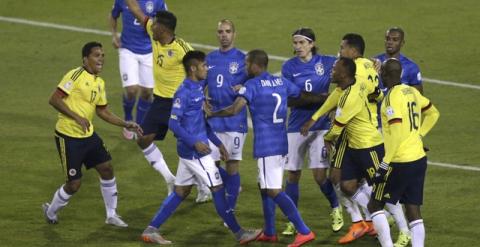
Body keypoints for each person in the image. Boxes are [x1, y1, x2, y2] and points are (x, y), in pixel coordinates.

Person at [140, 50, 261, 244]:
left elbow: (202, 122)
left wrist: (218, 143)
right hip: (195, 152)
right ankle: (239, 233)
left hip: (196, 148)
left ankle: (151, 229)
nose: (207, 69)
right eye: (204, 66)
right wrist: (194, 142)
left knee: (181, 191)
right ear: (193, 68)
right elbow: (173, 123)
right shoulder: (184, 92)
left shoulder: (197, 88)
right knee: (218, 188)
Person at [208, 49, 323, 247]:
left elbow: (235, 109)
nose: (245, 68)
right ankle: (270, 231)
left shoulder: (251, 85)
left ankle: (304, 230)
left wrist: (212, 114)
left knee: (273, 190)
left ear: (255, 65)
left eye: (246, 64)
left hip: (266, 145)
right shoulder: (282, 82)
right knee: (265, 188)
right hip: (281, 143)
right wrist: (325, 98)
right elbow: (301, 95)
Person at [42, 42, 142, 227]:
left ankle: (111, 215)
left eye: (103, 55)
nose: (101, 59)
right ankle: (50, 210)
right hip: (68, 137)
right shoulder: (75, 75)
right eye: (97, 55)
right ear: (85, 59)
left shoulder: (99, 82)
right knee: (74, 184)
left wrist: (126, 124)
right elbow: (54, 99)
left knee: (106, 168)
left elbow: (102, 112)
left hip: (89, 136)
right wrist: (77, 117)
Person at [124, 1, 210, 200]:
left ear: (162, 28)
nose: (150, 26)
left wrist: (202, 97)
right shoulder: (154, 36)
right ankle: (170, 179)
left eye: (154, 24)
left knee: (192, 146)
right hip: (161, 101)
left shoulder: (182, 49)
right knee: (143, 139)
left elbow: (204, 70)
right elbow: (137, 11)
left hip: (182, 103)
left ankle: (206, 186)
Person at [367, 58, 439, 247]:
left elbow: (397, 134)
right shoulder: (412, 91)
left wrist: (384, 164)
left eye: (381, 72)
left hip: (399, 161)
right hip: (418, 159)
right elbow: (433, 113)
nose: (380, 75)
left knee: (374, 205)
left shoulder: (391, 98)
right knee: (413, 210)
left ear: (386, 75)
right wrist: (419, 136)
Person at [281, 27, 342, 235]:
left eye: (301, 43)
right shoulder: (288, 67)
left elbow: (350, 69)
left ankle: (336, 208)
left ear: (312, 44)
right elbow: (291, 99)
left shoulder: (326, 63)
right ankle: (293, 219)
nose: (297, 47)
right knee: (293, 174)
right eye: (295, 43)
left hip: (320, 127)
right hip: (296, 126)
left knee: (319, 175)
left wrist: (375, 64)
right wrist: (323, 98)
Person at [205, 19, 248, 212]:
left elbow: (255, 83)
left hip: (235, 122)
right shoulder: (209, 58)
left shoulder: (243, 59)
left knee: (232, 165)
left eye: (228, 31)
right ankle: (233, 186)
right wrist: (201, 100)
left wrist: (245, 87)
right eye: (220, 31)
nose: (224, 35)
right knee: (209, 165)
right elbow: (200, 83)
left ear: (234, 34)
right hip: (213, 120)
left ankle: (230, 209)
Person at [109, 0, 167, 140]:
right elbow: (113, 15)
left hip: (149, 51)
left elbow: (166, 21)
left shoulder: (158, 2)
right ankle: (128, 120)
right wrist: (114, 34)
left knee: (147, 93)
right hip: (127, 49)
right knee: (131, 90)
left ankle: (140, 125)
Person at [375, 27, 423, 93]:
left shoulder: (411, 67)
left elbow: (418, 94)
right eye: (388, 39)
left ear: (402, 43)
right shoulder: (375, 62)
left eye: (395, 40)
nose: (390, 42)